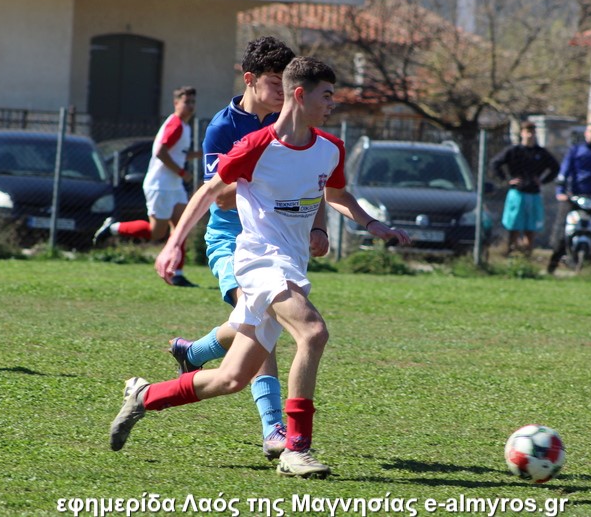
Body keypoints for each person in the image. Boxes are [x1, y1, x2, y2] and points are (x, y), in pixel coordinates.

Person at [109, 56, 411, 478]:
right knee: (313, 332)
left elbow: (337, 194)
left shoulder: (330, 148)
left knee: (232, 378)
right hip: (258, 261)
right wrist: (173, 245)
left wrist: (373, 224)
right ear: (300, 94)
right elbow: (208, 192)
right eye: (327, 95)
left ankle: (144, 396)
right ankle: (296, 449)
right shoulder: (256, 146)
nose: (333, 104)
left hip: (292, 264)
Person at [168, 37, 320, 461]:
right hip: (232, 241)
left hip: (275, 243)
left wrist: (317, 224)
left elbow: (316, 178)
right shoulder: (224, 127)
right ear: (250, 80)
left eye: (286, 83)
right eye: (274, 82)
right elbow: (219, 197)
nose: (283, 92)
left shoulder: (291, 124)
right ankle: (273, 428)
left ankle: (192, 352)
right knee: (264, 325)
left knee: (248, 325)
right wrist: (269, 188)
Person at [94, 87, 199, 287]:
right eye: (186, 102)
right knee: (156, 232)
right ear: (176, 103)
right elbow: (160, 152)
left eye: (193, 102)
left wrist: (202, 154)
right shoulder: (176, 124)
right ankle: (114, 227)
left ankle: (176, 273)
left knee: (181, 228)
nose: (191, 106)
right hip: (160, 185)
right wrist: (181, 172)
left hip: (174, 186)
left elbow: (178, 154)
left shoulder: (185, 126)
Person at [547, 122, 591, 273]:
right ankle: (553, 264)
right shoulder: (575, 151)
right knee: (562, 229)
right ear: (586, 134)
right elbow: (564, 171)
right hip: (573, 197)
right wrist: (561, 191)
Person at [490, 120, 560, 256]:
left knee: (531, 227)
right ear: (522, 133)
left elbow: (555, 168)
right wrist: (507, 180)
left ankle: (527, 254)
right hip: (517, 193)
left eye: (532, 132)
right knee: (514, 225)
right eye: (527, 131)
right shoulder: (514, 151)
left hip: (534, 194)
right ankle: (511, 251)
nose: (530, 135)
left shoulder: (540, 152)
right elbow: (495, 163)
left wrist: (543, 181)